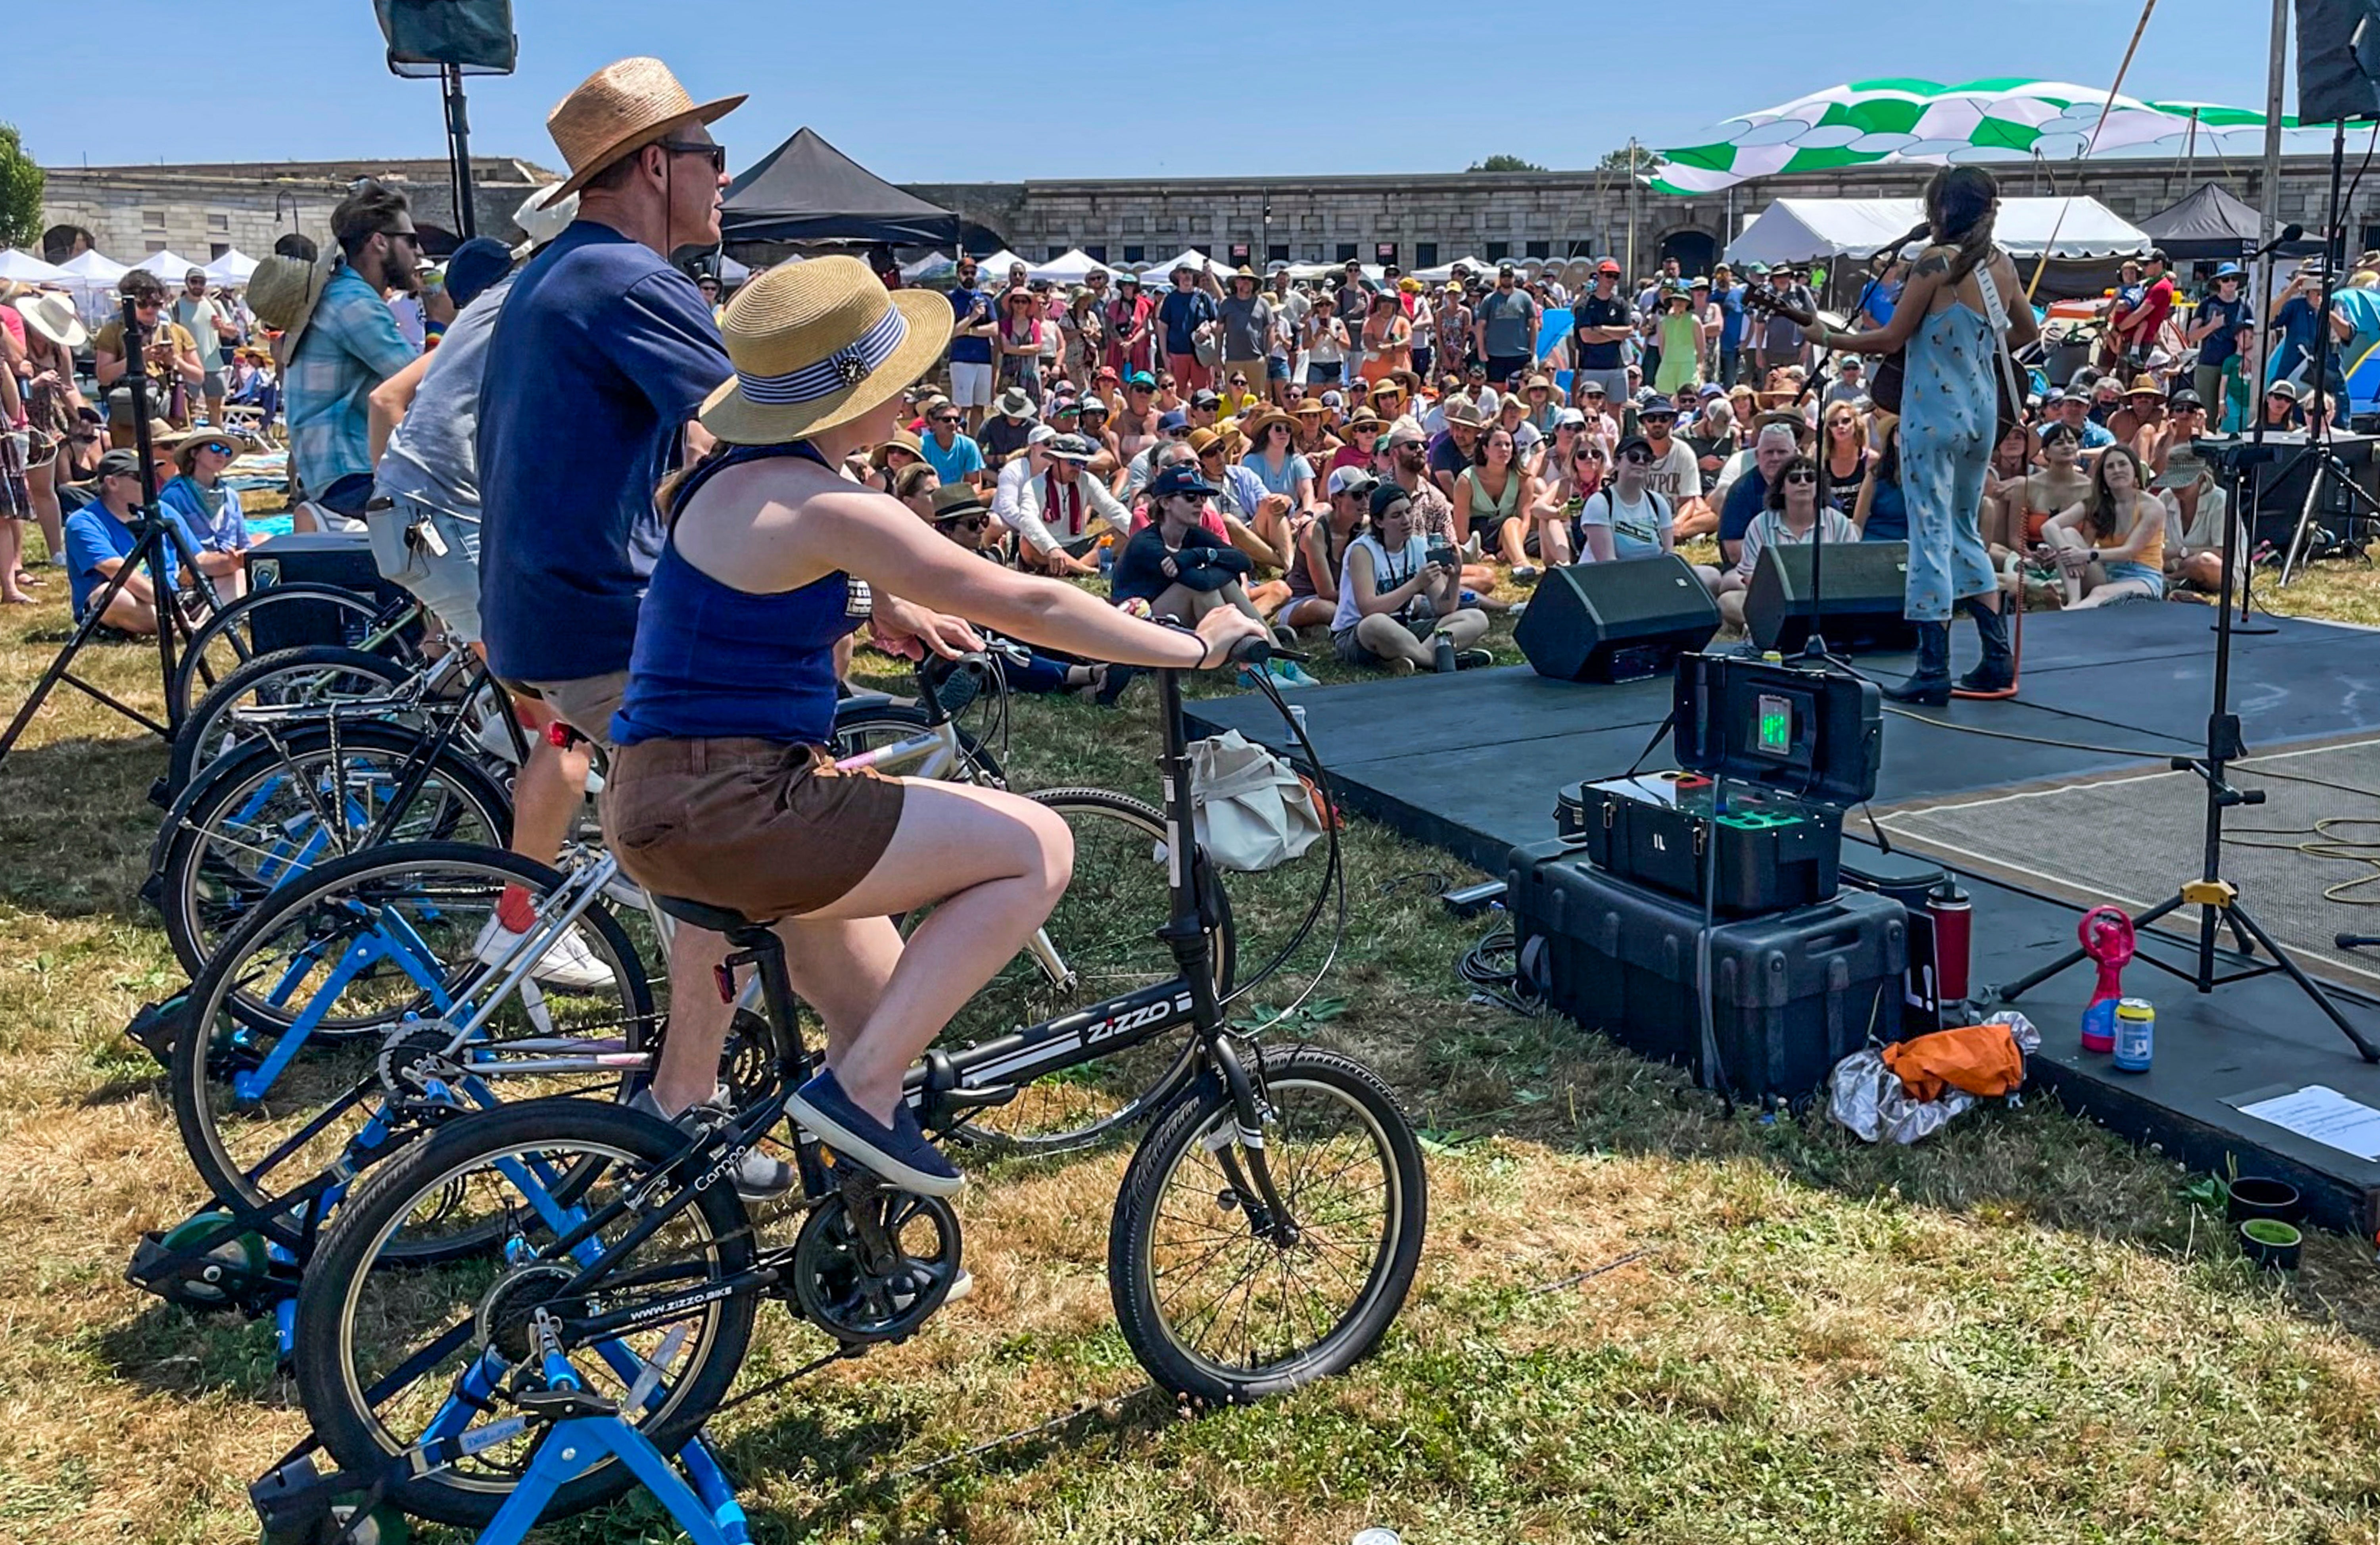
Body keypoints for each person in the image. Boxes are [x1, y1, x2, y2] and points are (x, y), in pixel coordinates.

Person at [602, 258, 1260, 1198]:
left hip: (665, 795)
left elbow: (761, 591)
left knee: (881, 1013)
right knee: (1038, 845)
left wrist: (874, 605)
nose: (911, 391)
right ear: (848, 395)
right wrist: (1191, 648)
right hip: (739, 804)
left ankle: (864, 1240)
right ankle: (857, 1097)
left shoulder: (732, 481)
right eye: (894, 375)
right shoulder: (826, 501)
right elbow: (1016, 594)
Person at [1805, 165, 2037, 703]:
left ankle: (1933, 667)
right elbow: (2027, 331)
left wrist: (1826, 337)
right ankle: (1995, 659)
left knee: (1929, 532)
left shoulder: (1934, 262)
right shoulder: (1999, 265)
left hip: (1933, 414)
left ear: (1944, 210)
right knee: (1963, 528)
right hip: (1983, 414)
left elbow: (1890, 337)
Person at [270, 182, 425, 526]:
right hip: (350, 477)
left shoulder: (336, 291)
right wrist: (444, 321)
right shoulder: (353, 302)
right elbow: (422, 384)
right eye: (411, 240)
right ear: (380, 242)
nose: (420, 252)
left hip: (329, 473)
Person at [1332, 482, 1489, 674]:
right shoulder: (1362, 551)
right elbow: (1369, 609)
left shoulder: (1419, 546)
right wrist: (1416, 585)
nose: (1407, 521)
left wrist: (1455, 579)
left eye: (1408, 512)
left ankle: (1413, 658)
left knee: (1476, 617)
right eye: (1397, 516)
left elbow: (1444, 608)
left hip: (1404, 629)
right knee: (1376, 623)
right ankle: (1437, 660)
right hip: (1358, 634)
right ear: (1379, 522)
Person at [1714, 454, 1858, 632]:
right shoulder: (1760, 525)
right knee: (1727, 602)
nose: (1803, 483)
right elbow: (1751, 577)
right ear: (1782, 487)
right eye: (1795, 478)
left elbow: (1853, 573)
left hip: (1827, 601)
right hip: (1774, 602)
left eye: (1811, 478)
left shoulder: (1839, 523)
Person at [63, 448, 178, 633]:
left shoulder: (162, 510)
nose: (151, 481)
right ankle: (183, 622)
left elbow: (200, 558)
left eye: (152, 474)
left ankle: (188, 622)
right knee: (110, 596)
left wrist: (230, 563)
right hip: (128, 601)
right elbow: (119, 572)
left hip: (174, 595)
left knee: (234, 574)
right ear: (113, 483)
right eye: (141, 476)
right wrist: (173, 605)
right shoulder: (83, 522)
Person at [2038, 444, 2165, 607]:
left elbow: (2128, 552)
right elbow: (2049, 527)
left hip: (2143, 578)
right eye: (2110, 467)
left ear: (2135, 470)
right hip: (2106, 574)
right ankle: (2074, 600)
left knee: (2099, 593)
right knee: (2068, 534)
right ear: (2103, 475)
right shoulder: (2097, 503)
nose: (2117, 470)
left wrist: (2084, 555)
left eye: (2122, 464)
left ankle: (2072, 612)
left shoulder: (2152, 507)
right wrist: (2068, 553)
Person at [94, 270, 204, 434]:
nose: (150, 310)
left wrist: (175, 362)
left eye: (156, 304)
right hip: (129, 418)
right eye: (143, 304)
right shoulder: (113, 331)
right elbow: (104, 376)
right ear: (129, 303)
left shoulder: (177, 331)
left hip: (171, 415)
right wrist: (136, 359)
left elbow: (199, 376)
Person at [155, 429, 256, 596]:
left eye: (227, 452)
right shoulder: (175, 495)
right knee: (234, 569)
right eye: (215, 448)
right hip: (197, 564)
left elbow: (243, 540)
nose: (222, 455)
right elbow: (169, 548)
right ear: (195, 453)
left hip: (230, 559)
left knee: (265, 541)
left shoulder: (230, 495)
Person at [1279, 466, 1372, 636]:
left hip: (1344, 600)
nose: (1365, 502)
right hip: (1303, 600)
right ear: (1336, 499)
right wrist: (1370, 600)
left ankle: (1314, 629)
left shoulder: (1364, 526)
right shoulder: (1316, 532)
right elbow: (1327, 593)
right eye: (1358, 495)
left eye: (1368, 495)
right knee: (1328, 610)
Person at [1575, 435, 1678, 565]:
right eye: (1633, 457)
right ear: (1617, 463)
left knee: (1710, 575)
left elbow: (1669, 557)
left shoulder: (1658, 503)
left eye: (1647, 459)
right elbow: (1607, 564)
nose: (1641, 462)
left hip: (1651, 576)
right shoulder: (1600, 503)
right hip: (1606, 579)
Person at [1453, 423, 1538, 576]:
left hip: (1511, 531)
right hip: (1479, 534)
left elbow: (1526, 519)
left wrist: (1512, 544)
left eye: (1508, 445)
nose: (1504, 449)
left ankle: (1519, 563)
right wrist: (1481, 555)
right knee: (1513, 523)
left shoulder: (1523, 478)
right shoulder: (1467, 480)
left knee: (1517, 524)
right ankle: (1522, 564)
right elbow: (1460, 529)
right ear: (1485, 450)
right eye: (1498, 445)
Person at [1715, 421, 1798, 568]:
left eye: (1782, 452)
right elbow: (1734, 552)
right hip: (1752, 570)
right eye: (1769, 452)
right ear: (1757, 455)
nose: (1775, 458)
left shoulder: (1812, 485)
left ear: (1795, 454)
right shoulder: (1741, 491)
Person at [175, 269, 241, 422]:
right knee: (187, 409)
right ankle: (191, 443)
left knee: (216, 408)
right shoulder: (176, 307)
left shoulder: (214, 305)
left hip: (214, 365)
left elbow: (233, 333)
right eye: (194, 282)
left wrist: (223, 327)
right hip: (188, 366)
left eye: (202, 282)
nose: (198, 286)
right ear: (187, 283)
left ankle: (217, 441)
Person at [2190, 264, 2255, 413]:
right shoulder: (2207, 305)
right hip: (2209, 364)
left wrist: (2249, 359)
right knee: (2205, 412)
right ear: (2219, 282)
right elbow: (2191, 336)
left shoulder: (2246, 306)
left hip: (2236, 366)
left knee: (2234, 411)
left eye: (2234, 278)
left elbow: (2254, 337)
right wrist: (2212, 326)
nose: (2231, 282)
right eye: (2226, 279)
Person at [1473, 262, 1538, 388]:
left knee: (1519, 389)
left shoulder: (1525, 298)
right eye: (1504, 276)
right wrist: (1481, 350)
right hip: (1495, 354)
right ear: (1500, 278)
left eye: (1509, 276)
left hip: (1520, 354)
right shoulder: (1489, 300)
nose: (1507, 279)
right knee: (1495, 389)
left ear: (1513, 278)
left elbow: (1533, 325)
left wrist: (1532, 350)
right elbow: (1480, 326)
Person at [1157, 261, 1220, 392]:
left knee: (1203, 393)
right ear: (1177, 276)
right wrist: (1165, 356)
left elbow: (1217, 321)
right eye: (1184, 272)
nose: (1187, 276)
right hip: (1177, 353)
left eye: (1190, 273)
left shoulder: (1204, 297)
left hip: (1201, 354)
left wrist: (1209, 328)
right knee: (1176, 392)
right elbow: (1163, 328)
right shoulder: (1170, 299)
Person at [1851, 419, 1909, 542]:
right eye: (1899, 430)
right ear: (1891, 436)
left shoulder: (1926, 476)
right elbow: (1858, 523)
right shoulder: (1875, 475)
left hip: (1908, 546)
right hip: (1874, 542)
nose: (1904, 434)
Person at [919, 399, 990, 489]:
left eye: (957, 420)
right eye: (946, 420)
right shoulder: (922, 446)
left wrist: (969, 500)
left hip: (959, 496)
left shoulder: (969, 445)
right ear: (933, 423)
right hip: (932, 496)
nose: (953, 423)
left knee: (992, 493)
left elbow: (974, 482)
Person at [979, 386, 1039, 467]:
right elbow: (976, 453)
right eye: (1012, 415)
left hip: (1024, 472)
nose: (1016, 418)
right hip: (994, 471)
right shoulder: (991, 424)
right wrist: (1000, 459)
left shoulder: (1034, 427)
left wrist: (1016, 456)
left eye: (1019, 415)